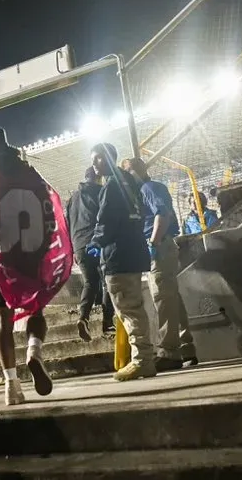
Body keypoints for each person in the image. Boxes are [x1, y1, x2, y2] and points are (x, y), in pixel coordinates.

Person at [0, 127, 72, 406]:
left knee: (1, 318)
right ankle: (34, 351)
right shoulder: (26, 170)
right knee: (36, 308)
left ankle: (11, 385)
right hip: (29, 253)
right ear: (6, 144)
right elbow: (49, 203)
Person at [86, 143, 154, 381]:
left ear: (109, 157)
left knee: (128, 308)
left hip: (118, 256)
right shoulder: (129, 181)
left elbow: (106, 220)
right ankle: (144, 358)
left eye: (98, 158)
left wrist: (96, 242)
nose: (94, 163)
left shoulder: (112, 185)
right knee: (135, 306)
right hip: (134, 251)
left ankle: (142, 360)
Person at [122, 157, 193, 371]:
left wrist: (153, 242)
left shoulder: (149, 188)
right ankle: (185, 348)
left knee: (162, 298)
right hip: (162, 244)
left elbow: (162, 214)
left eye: (129, 172)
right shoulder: (148, 189)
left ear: (138, 171)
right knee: (171, 299)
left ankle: (169, 352)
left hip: (159, 245)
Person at [66, 166, 114, 341]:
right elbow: (105, 217)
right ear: (98, 177)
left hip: (79, 246)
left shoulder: (72, 199)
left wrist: (73, 250)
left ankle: (83, 317)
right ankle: (108, 323)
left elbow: (67, 224)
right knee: (107, 281)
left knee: (90, 283)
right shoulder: (101, 192)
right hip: (96, 243)